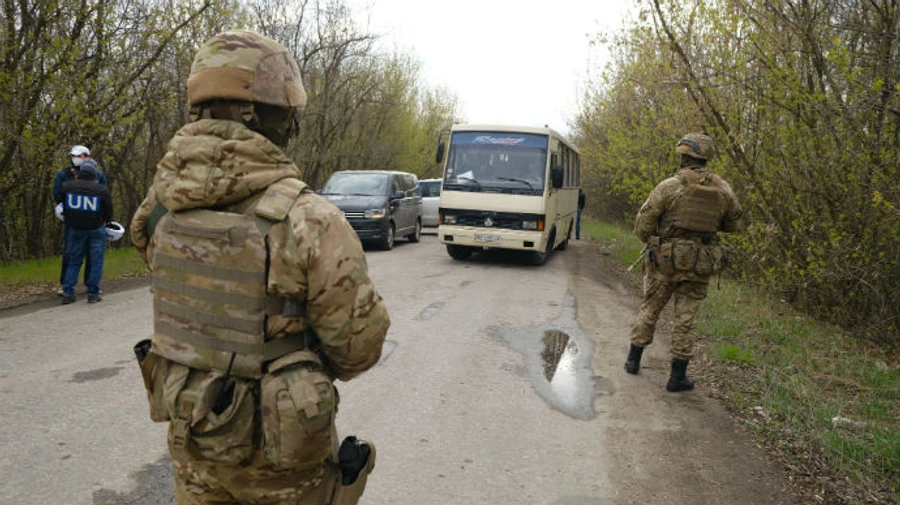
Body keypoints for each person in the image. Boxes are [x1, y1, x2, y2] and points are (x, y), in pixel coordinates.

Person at [130, 30, 390, 505]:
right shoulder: (309, 219)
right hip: (282, 460)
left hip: (196, 436)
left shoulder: (159, 208)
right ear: (267, 114)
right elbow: (358, 348)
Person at [624, 133, 743, 392]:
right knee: (684, 319)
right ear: (706, 159)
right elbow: (734, 225)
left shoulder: (669, 186)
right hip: (700, 263)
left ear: (683, 156)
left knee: (651, 308)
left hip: (664, 260)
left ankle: (633, 361)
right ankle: (676, 377)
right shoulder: (723, 190)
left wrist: (656, 241)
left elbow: (643, 224)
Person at [53, 145, 108, 296]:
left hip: (93, 220)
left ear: (87, 156)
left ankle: (90, 284)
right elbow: (57, 196)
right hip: (73, 220)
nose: (75, 158)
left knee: (92, 254)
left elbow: (105, 195)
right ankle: (66, 285)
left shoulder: (98, 174)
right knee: (70, 253)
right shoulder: (63, 174)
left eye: (79, 155)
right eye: (73, 155)